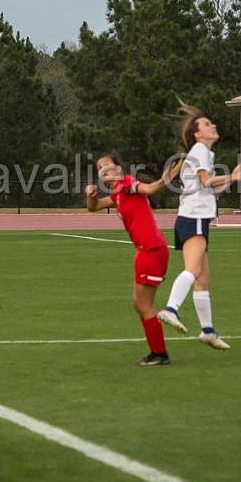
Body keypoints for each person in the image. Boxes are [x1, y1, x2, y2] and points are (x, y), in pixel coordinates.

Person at [157, 104, 241, 349]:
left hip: (193, 216)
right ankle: (170, 308)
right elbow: (207, 180)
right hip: (194, 217)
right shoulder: (199, 150)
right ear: (198, 134)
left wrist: (230, 180)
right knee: (193, 269)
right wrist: (232, 176)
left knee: (203, 278)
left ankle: (208, 330)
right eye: (208, 124)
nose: (214, 126)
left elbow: (209, 188)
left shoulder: (205, 153)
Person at [85, 154, 175, 366]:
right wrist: (90, 195)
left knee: (143, 304)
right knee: (140, 303)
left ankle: (160, 353)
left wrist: (165, 178)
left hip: (152, 249)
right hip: (144, 251)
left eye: (107, 164)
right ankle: (157, 352)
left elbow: (150, 189)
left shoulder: (127, 184)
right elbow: (93, 207)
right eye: (99, 166)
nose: (103, 168)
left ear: (117, 168)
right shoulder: (118, 193)